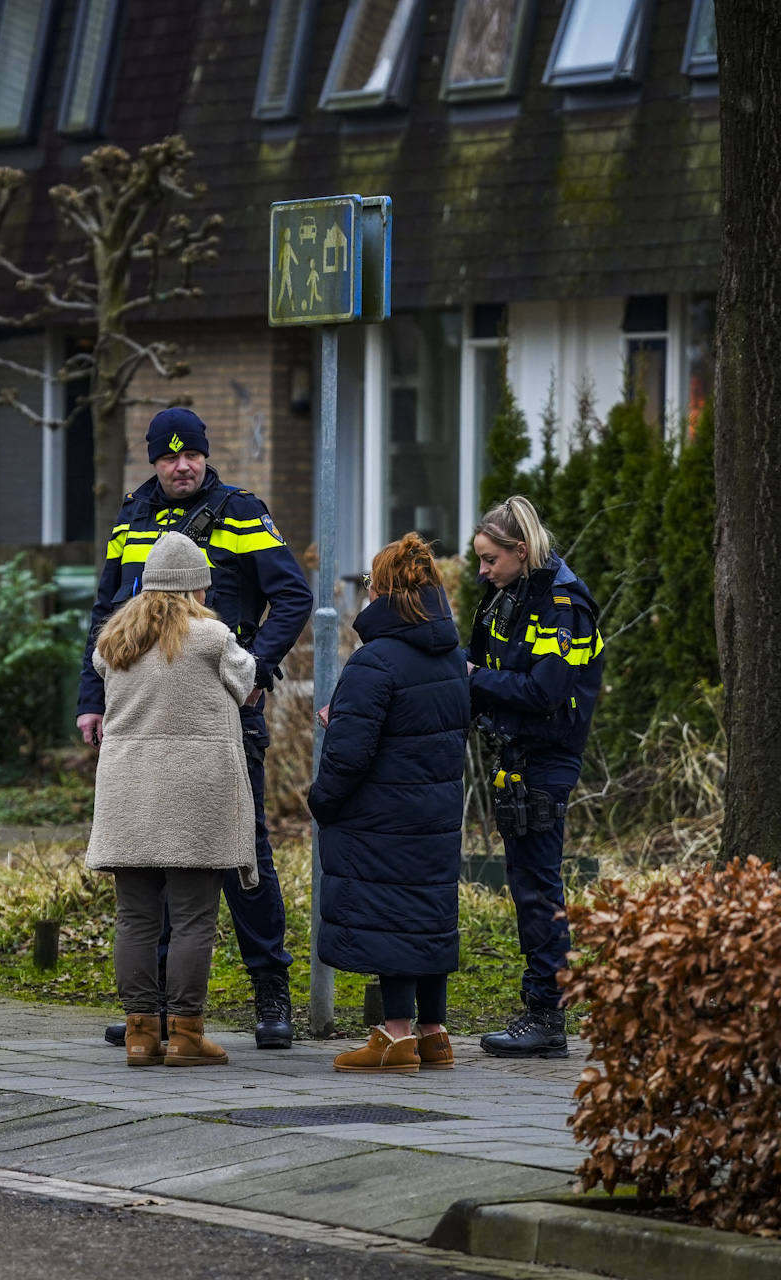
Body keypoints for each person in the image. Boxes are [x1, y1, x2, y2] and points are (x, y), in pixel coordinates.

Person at [78, 406, 312, 1050]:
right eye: (169, 456)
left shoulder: (240, 511)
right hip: (142, 722)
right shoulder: (131, 517)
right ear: (152, 460)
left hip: (223, 721)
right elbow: (106, 612)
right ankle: (148, 1012)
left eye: (193, 455)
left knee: (245, 858)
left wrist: (256, 670)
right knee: (151, 857)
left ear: (205, 455)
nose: (182, 466)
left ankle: (271, 995)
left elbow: (291, 594)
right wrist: (90, 699)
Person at [85, 534, 255, 1068]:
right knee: (192, 919)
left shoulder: (114, 639)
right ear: (198, 584)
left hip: (126, 790)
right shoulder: (212, 636)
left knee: (135, 918)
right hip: (195, 792)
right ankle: (185, 1033)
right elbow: (247, 683)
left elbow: (101, 677)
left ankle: (139, 1033)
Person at [309, 535, 471, 1073]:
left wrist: (322, 802)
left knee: (391, 917)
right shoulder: (452, 657)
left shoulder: (374, 660)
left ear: (381, 592)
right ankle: (435, 1034)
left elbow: (351, 756)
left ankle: (394, 1038)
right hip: (436, 815)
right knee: (426, 914)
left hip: (381, 818)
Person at [466, 496, 602, 1059]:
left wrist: (470, 678)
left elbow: (545, 692)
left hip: (545, 758)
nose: (482, 571)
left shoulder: (561, 603)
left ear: (521, 552)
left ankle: (548, 1014)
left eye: (490, 559)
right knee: (528, 883)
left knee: (538, 885)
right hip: (516, 757)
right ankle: (540, 1006)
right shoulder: (508, 596)